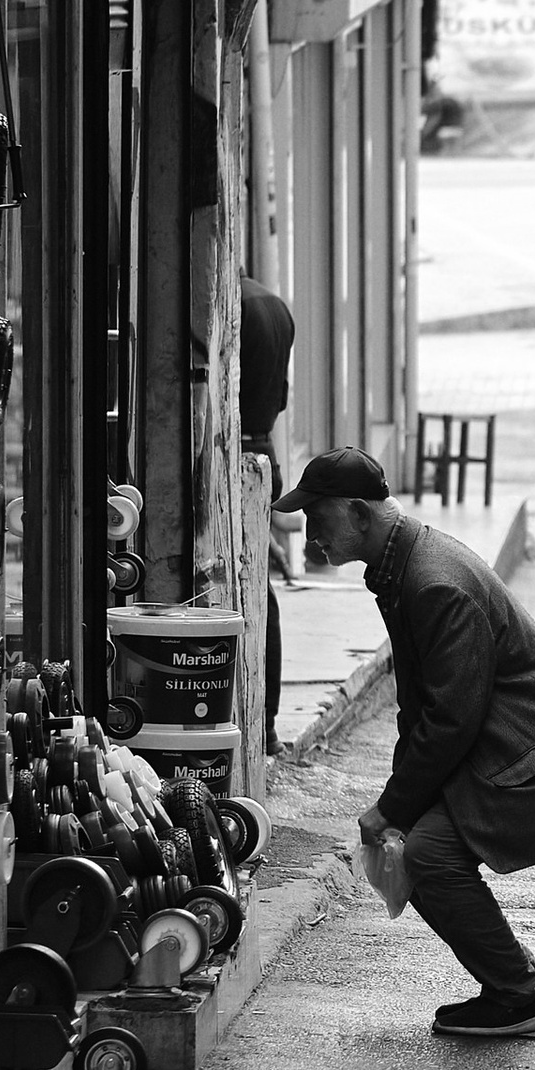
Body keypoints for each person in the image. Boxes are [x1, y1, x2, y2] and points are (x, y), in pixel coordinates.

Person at [287, 448, 535, 1040]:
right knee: (418, 845)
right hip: (516, 740)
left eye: (318, 519)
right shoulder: (404, 565)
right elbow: (422, 707)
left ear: (360, 514)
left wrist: (392, 809)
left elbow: (451, 719)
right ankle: (521, 979)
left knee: (426, 854)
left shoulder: (432, 582)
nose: (310, 536)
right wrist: (398, 802)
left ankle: (516, 993)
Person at [241, 274, 296, 748]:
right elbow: (280, 395)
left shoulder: (228, 306)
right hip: (263, 449)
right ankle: (267, 722)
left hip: (238, 456)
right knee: (261, 591)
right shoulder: (274, 305)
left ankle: (263, 722)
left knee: (256, 595)